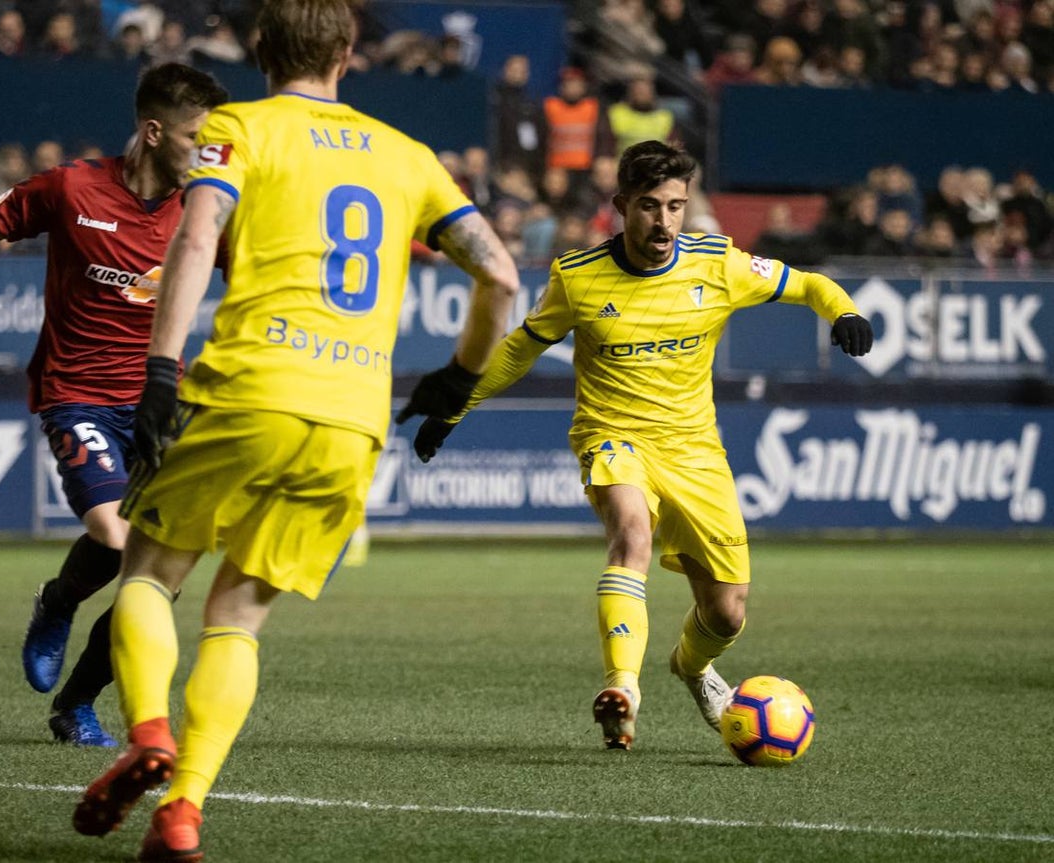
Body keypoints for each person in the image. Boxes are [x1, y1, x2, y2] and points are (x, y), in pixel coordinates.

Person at [71, 1, 519, 859]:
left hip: (249, 389)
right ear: (349, 54)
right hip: (354, 419)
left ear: (257, 50)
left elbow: (197, 235)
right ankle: (184, 807)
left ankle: (151, 732)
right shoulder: (409, 156)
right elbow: (499, 277)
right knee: (238, 615)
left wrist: (161, 370)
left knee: (149, 572)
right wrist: (458, 379)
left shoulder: (239, 128)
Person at [410, 140, 873, 751]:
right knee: (631, 532)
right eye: (650, 206)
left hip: (695, 451)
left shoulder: (718, 264)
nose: (664, 222)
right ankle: (622, 691)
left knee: (728, 611)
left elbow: (809, 283)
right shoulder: (576, 278)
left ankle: (691, 666)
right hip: (612, 434)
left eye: (676, 206)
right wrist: (455, 408)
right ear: (622, 206)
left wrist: (843, 311)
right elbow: (522, 347)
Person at [0, 63, 229, 746]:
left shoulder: (207, 212)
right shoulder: (70, 187)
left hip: (156, 405)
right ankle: (58, 601)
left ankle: (76, 703)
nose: (210, 152)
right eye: (198, 137)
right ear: (152, 130)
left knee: (154, 580)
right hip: (75, 393)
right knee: (118, 540)